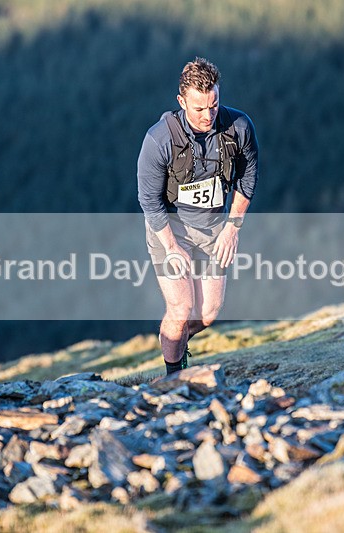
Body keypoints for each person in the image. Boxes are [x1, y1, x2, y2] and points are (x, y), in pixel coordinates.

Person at [137, 57, 259, 375]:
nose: (208, 115)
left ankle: (176, 342)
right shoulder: (159, 140)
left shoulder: (239, 127)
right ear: (182, 102)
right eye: (199, 108)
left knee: (207, 313)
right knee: (180, 308)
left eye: (214, 105)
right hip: (170, 229)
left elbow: (247, 179)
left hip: (214, 229)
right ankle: (173, 378)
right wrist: (171, 247)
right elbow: (149, 200)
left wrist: (232, 229)